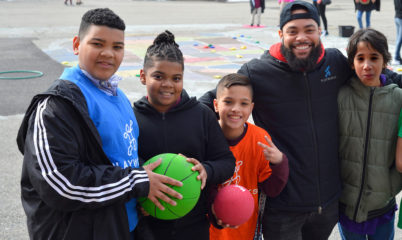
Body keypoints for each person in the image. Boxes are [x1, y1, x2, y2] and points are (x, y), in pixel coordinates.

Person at [199, 1, 402, 239]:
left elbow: (379, 74)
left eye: (309, 29)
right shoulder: (258, 72)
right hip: (282, 207)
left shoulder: (335, 62)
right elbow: (210, 102)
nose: (301, 38)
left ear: (319, 31)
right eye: (293, 31)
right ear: (280, 34)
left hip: (327, 205)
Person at [16, 8, 183, 240]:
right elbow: (61, 183)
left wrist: (152, 184)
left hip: (123, 227)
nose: (108, 53)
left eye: (117, 47)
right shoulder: (57, 105)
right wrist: (138, 182)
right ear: (76, 45)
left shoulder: (119, 97)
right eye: (97, 43)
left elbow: (125, 158)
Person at [132, 30, 236, 240]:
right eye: (158, 76)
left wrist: (206, 170)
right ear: (143, 76)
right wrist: (141, 180)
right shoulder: (130, 118)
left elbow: (226, 161)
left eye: (176, 78)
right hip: (146, 226)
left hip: (194, 227)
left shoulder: (201, 115)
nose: (168, 84)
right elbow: (121, 164)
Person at [337, 28, 402, 240]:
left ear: (385, 60)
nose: (367, 65)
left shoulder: (398, 99)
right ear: (352, 62)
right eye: (360, 58)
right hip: (347, 204)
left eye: (374, 57)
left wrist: (390, 186)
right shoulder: (341, 96)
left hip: (382, 203)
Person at [208, 73, 289, 240]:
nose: (236, 108)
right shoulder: (204, 137)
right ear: (216, 105)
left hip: (245, 232)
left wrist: (279, 162)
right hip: (209, 231)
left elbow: (272, 189)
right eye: (228, 102)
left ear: (251, 108)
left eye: (243, 103)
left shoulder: (259, 139)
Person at [393, 0, 402, 65]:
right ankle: (396, 57)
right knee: (400, 39)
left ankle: (397, 57)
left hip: (397, 17)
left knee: (398, 38)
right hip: (400, 18)